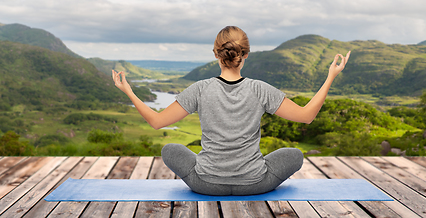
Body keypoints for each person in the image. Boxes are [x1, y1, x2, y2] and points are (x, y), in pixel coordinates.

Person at [112, 26, 350, 196]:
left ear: (216, 54)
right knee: (295, 154)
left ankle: (215, 169)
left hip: (205, 184)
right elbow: (307, 116)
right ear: (245, 54)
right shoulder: (259, 89)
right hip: (255, 183)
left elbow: (156, 122)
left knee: (170, 150)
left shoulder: (200, 89)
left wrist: (129, 92)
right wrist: (331, 76)